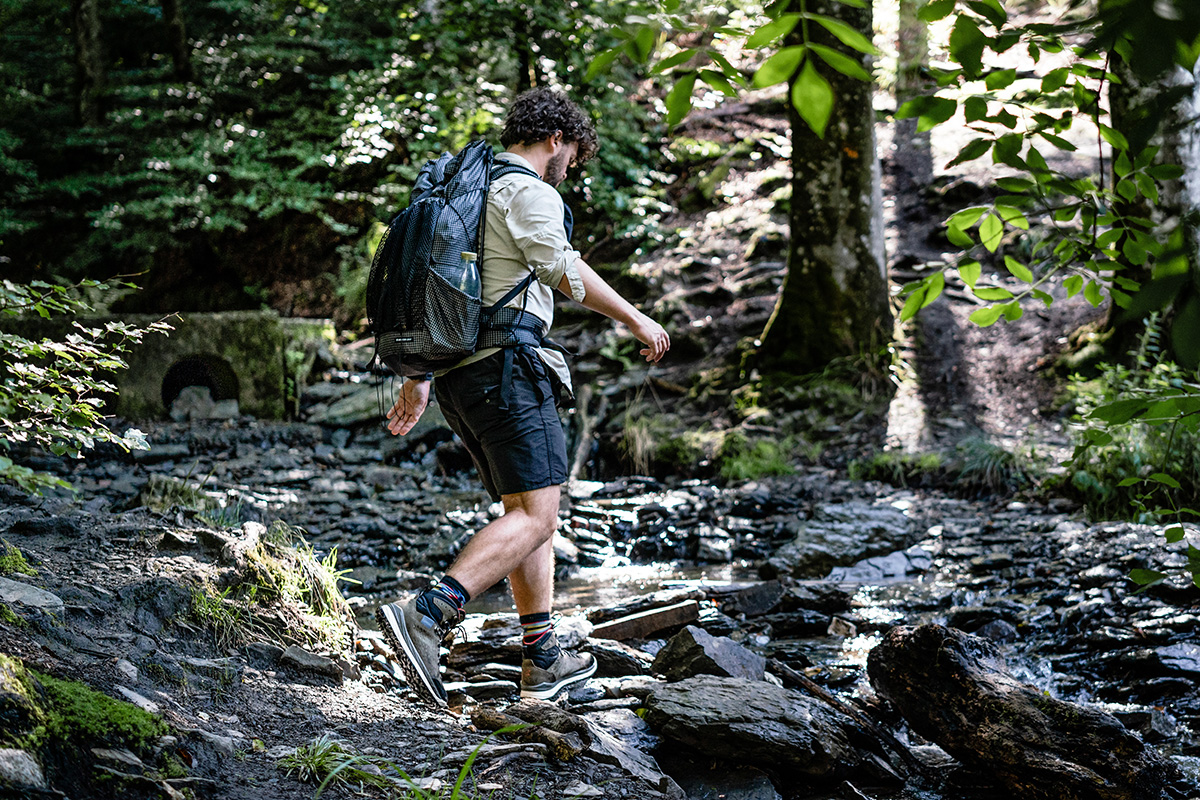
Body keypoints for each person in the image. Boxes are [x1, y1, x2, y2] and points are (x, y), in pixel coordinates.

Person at [376, 87, 671, 708]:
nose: (571, 168)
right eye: (573, 154)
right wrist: (637, 319)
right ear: (555, 138)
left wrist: (420, 372)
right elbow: (561, 270)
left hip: (463, 374)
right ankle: (428, 614)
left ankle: (540, 655)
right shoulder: (526, 189)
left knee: (526, 511)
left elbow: (451, 290)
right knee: (538, 516)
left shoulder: (471, 189)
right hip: (509, 370)